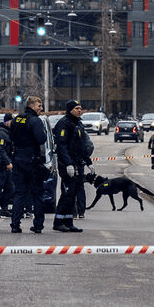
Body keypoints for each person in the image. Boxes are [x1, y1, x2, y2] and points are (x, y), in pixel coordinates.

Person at [7, 96, 50, 234]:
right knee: (37, 193)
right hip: (32, 161)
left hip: (18, 159)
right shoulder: (35, 121)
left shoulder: (17, 119)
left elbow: (11, 137)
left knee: (20, 194)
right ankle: (38, 225)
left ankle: (15, 224)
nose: (41, 108)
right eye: (39, 105)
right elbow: (42, 139)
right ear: (32, 106)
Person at [52, 100, 92, 233]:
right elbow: (62, 146)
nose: (80, 110)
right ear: (70, 110)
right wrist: (68, 164)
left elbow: (81, 146)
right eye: (77, 108)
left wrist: (88, 162)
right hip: (67, 165)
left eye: (81, 108)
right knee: (67, 194)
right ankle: (58, 222)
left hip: (78, 164)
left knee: (73, 194)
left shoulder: (78, 123)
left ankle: (69, 222)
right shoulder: (64, 124)